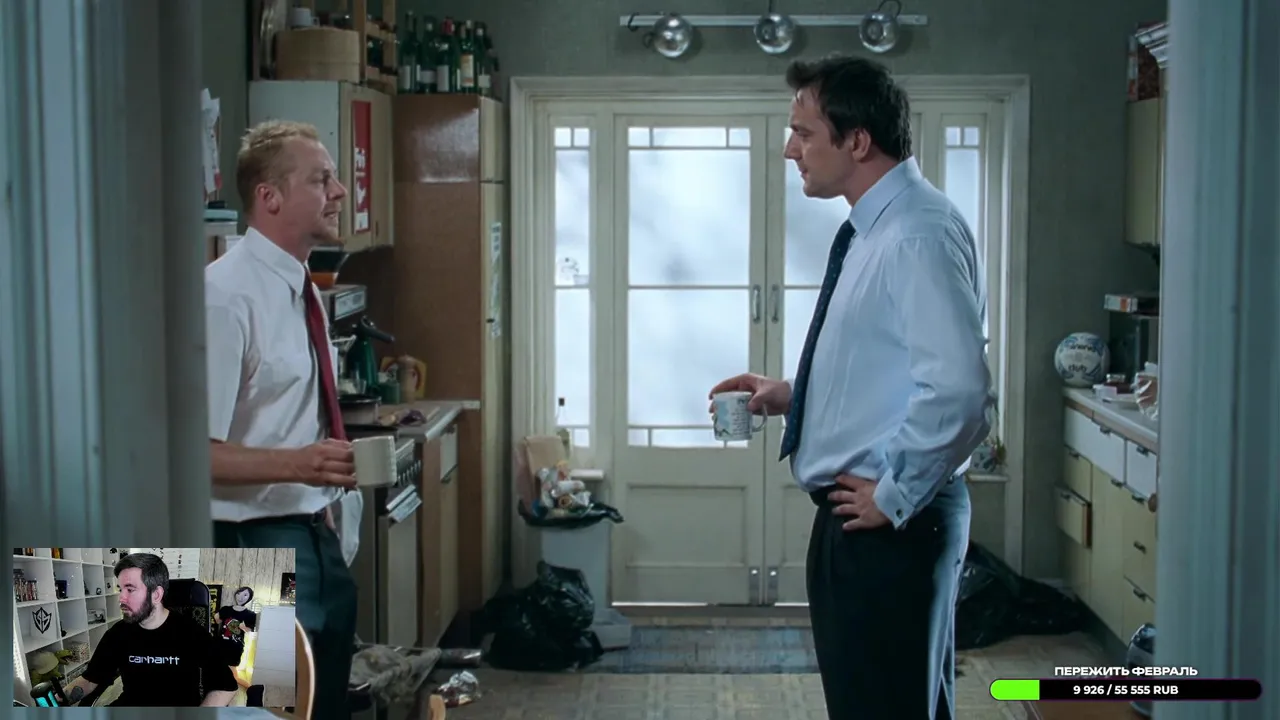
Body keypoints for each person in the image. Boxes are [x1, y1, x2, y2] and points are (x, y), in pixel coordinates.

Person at [709, 55, 994, 720]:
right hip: (869, 523)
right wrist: (794, 394)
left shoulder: (915, 234)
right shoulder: (879, 228)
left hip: (890, 527)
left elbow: (958, 390)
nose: (790, 150)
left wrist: (895, 493)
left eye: (804, 133)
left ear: (858, 140)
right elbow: (890, 367)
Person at [206, 119, 360, 716]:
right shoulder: (225, 297)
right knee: (265, 712)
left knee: (325, 705)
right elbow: (192, 453)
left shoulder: (303, 288)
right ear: (269, 196)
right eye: (322, 180)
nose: (340, 192)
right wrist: (299, 464)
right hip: (249, 542)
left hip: (313, 532)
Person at [57, 554, 237, 707]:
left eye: (130, 589)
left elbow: (226, 687)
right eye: (120, 589)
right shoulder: (118, 634)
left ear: (156, 595)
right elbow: (90, 679)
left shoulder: (191, 633)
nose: (121, 598)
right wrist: (56, 700)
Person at [215, 585, 258, 666]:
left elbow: (249, 630)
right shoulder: (226, 609)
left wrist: (242, 627)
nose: (240, 597)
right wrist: (217, 615)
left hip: (236, 647)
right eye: (239, 593)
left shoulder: (250, 614)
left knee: (232, 668)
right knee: (217, 666)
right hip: (220, 644)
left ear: (249, 598)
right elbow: (218, 621)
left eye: (245, 595)